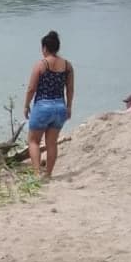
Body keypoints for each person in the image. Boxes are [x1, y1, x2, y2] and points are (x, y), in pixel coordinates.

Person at [24, 30, 74, 179]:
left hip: (42, 106)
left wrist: (26, 105)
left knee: (33, 141)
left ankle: (37, 173)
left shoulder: (41, 65)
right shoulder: (68, 66)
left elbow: (31, 88)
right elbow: (70, 89)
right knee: (52, 143)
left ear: (45, 48)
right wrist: (69, 107)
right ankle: (48, 175)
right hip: (60, 107)